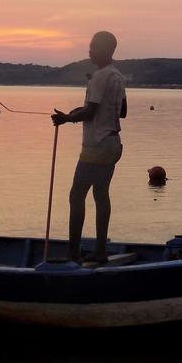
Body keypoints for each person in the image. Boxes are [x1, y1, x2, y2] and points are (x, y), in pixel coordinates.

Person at [51, 31, 127, 263]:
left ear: (106, 50)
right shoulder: (117, 76)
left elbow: (92, 111)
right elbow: (121, 111)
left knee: (76, 194)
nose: (90, 51)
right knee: (101, 195)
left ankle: (73, 251)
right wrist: (79, 111)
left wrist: (66, 119)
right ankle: (101, 250)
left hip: (96, 145)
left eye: (93, 47)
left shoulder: (100, 76)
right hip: (113, 143)